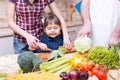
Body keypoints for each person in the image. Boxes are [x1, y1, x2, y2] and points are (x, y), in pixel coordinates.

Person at [7, 0, 72, 53]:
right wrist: (28, 36)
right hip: (20, 41)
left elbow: (59, 17)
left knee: (39, 66)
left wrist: (66, 37)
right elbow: (10, 22)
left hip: (39, 40)